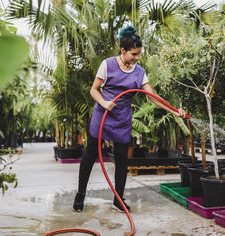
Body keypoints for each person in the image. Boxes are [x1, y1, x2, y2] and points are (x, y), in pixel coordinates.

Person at [73, 26, 186, 212]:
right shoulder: (107, 64)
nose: (137, 58)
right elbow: (93, 89)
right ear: (122, 50)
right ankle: (80, 195)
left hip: (122, 119)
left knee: (121, 160)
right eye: (134, 54)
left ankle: (118, 199)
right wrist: (104, 102)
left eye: (139, 54)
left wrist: (174, 111)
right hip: (103, 115)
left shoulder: (139, 72)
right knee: (89, 156)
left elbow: (152, 96)